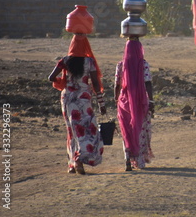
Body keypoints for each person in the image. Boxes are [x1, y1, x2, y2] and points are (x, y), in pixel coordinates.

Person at [48, 33, 105, 175]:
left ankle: (72, 164)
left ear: (72, 45)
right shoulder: (89, 62)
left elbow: (51, 77)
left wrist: (63, 82)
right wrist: (101, 102)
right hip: (84, 99)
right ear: (85, 45)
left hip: (68, 99)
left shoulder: (65, 61)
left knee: (72, 130)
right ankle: (79, 159)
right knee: (87, 129)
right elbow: (96, 83)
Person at [114, 37, 154, 171]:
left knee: (127, 131)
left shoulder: (120, 65)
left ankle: (127, 161)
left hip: (124, 103)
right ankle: (140, 161)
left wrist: (116, 99)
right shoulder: (144, 64)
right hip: (140, 102)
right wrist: (151, 100)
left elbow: (117, 85)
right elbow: (148, 83)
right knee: (139, 130)